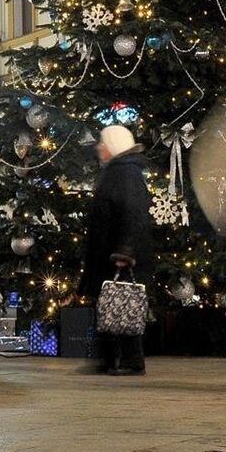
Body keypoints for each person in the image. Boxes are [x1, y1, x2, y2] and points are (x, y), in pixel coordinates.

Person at [80, 123, 152, 376]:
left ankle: (131, 361)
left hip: (117, 254)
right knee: (110, 305)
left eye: (103, 142)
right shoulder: (119, 171)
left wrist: (126, 250)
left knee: (122, 306)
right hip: (109, 252)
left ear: (113, 146)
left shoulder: (125, 173)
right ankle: (110, 359)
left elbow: (133, 213)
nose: (99, 147)